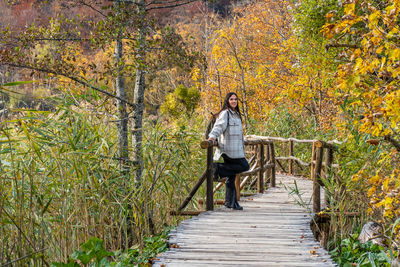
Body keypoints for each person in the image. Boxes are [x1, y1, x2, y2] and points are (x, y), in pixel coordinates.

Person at [207, 92, 249, 210]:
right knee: (245, 166)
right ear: (227, 101)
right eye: (231, 99)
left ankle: (231, 202)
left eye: (235, 99)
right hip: (228, 149)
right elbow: (219, 127)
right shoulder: (225, 113)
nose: (234, 101)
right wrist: (212, 137)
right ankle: (217, 168)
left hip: (237, 150)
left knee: (231, 176)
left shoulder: (236, 114)